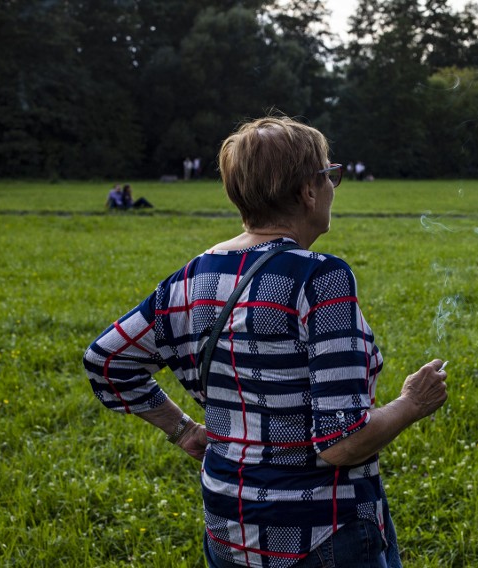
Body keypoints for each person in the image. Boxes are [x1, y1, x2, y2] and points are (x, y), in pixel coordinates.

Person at [83, 116, 449, 568]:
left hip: (226, 528)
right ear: (308, 191)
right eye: (330, 175)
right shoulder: (320, 277)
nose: (334, 187)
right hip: (320, 534)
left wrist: (181, 430)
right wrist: (413, 402)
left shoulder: (195, 274)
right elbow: (341, 444)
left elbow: (106, 359)